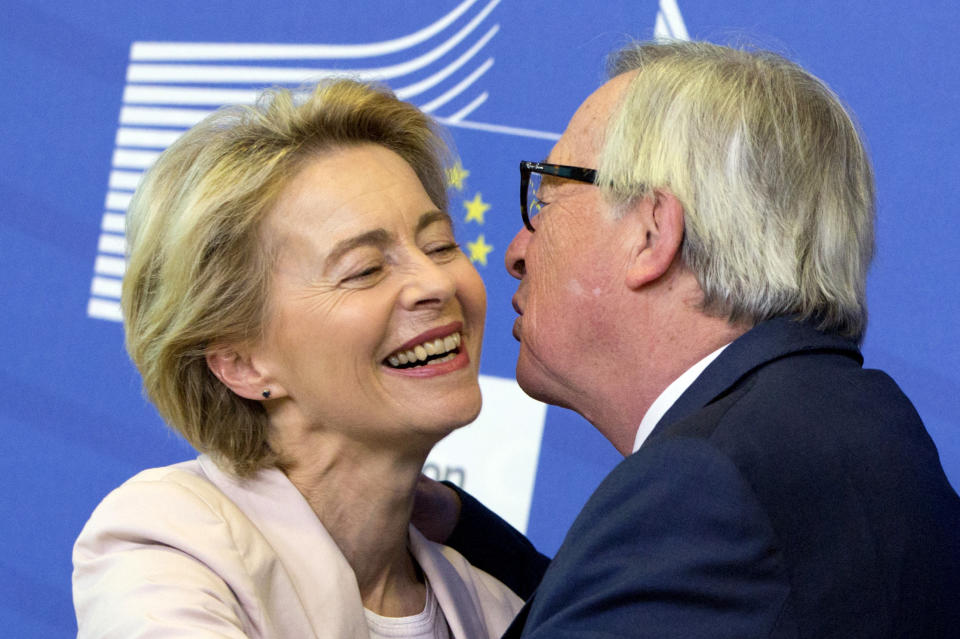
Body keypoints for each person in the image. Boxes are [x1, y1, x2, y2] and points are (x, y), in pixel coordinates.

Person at [428, 40, 960, 637]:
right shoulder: (857, 424)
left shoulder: (705, 484)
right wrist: (451, 526)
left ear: (652, 234)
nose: (516, 252)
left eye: (546, 199)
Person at [71, 79, 537, 638]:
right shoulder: (171, 544)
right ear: (241, 362)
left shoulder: (498, 605)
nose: (436, 282)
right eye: (365, 269)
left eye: (440, 246)